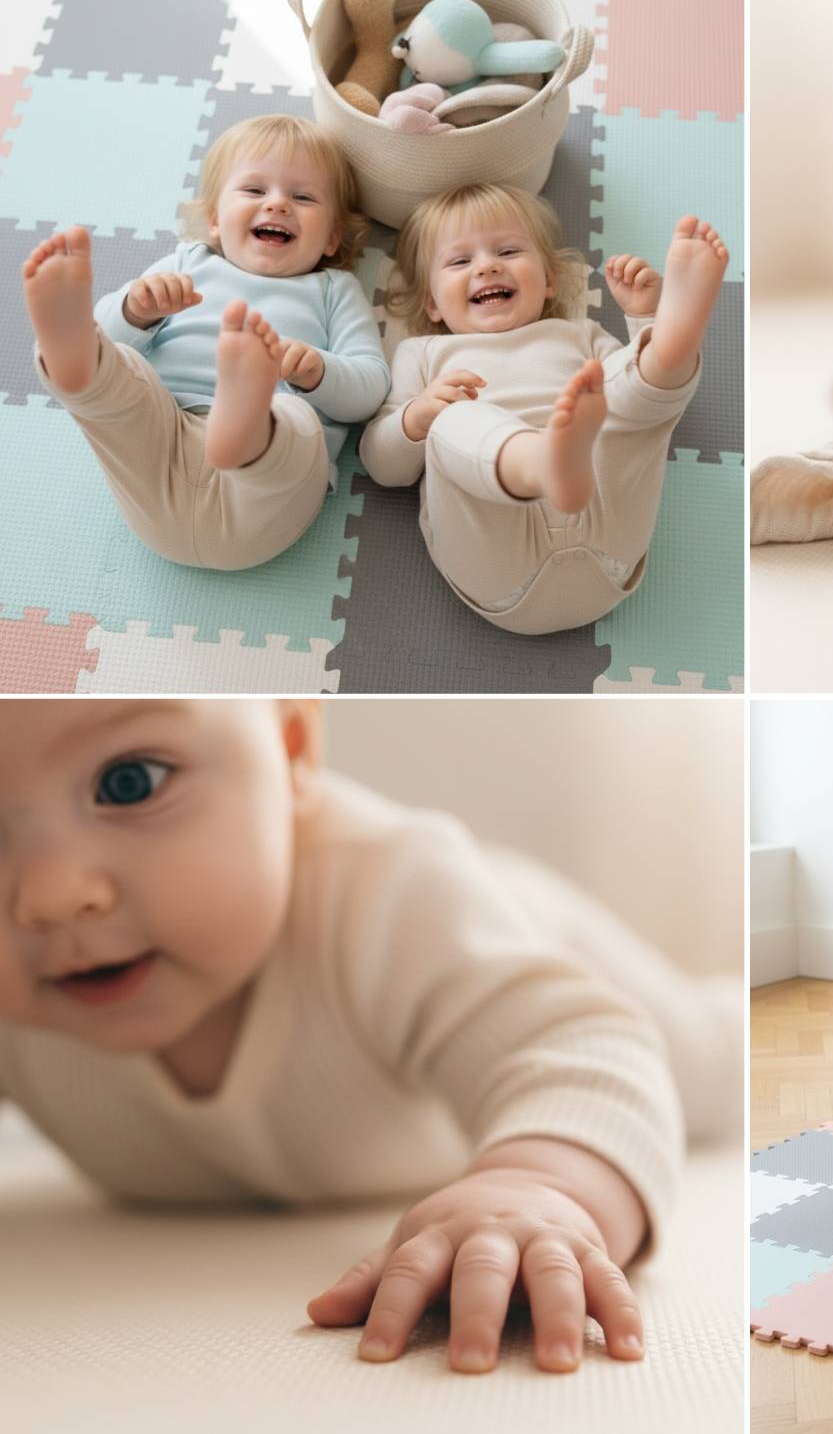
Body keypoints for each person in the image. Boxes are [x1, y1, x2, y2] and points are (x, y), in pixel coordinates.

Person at [0, 699, 738, 1374]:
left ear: (292, 752)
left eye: (130, 782)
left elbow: (585, 1052)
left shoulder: (391, 899)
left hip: (515, 941)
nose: (51, 896)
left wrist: (543, 1186)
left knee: (712, 1064)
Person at [21, 115, 389, 569]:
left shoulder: (333, 289)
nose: (277, 205)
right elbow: (117, 338)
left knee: (293, 419)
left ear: (333, 236)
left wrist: (317, 372)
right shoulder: (188, 261)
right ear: (214, 220)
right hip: (163, 439)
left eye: (303, 197)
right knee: (124, 380)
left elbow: (371, 389)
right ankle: (72, 357)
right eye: (255, 191)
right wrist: (137, 310)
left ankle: (249, 426)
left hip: (262, 498)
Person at [361, 183, 727, 634]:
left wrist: (644, 318)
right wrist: (417, 416)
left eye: (509, 251)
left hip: (605, 523)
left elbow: (635, 414)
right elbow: (382, 465)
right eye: (460, 261)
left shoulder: (578, 333)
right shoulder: (425, 353)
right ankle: (539, 461)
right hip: (498, 563)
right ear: (432, 303)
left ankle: (668, 343)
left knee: (620, 395)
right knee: (453, 418)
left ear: (550, 279)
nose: (488, 266)